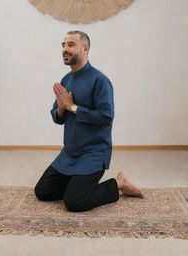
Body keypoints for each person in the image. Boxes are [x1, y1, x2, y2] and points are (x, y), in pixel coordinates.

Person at [34, 31, 145, 212]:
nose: (65, 49)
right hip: (69, 153)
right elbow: (57, 116)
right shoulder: (66, 79)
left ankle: (118, 183)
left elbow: (106, 117)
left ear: (85, 49)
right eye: (63, 45)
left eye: (71, 44)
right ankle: (75, 182)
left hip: (93, 154)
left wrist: (72, 107)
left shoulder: (100, 80)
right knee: (42, 191)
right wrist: (62, 108)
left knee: (74, 202)